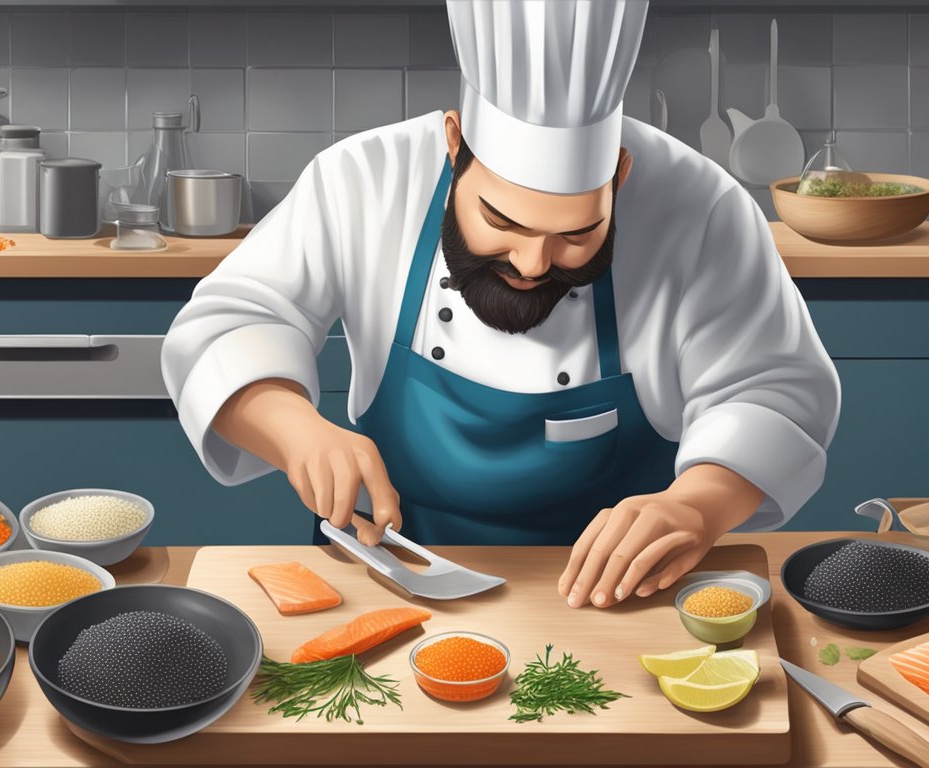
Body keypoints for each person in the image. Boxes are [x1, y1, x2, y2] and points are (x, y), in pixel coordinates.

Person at [161, 0, 840, 609]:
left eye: (576, 233)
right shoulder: (362, 179)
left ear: (620, 175)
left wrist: (698, 506)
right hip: (384, 577)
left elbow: (771, 388)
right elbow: (232, 322)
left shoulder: (701, 208)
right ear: (455, 145)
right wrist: (292, 427)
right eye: (502, 221)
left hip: (621, 596)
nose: (532, 263)